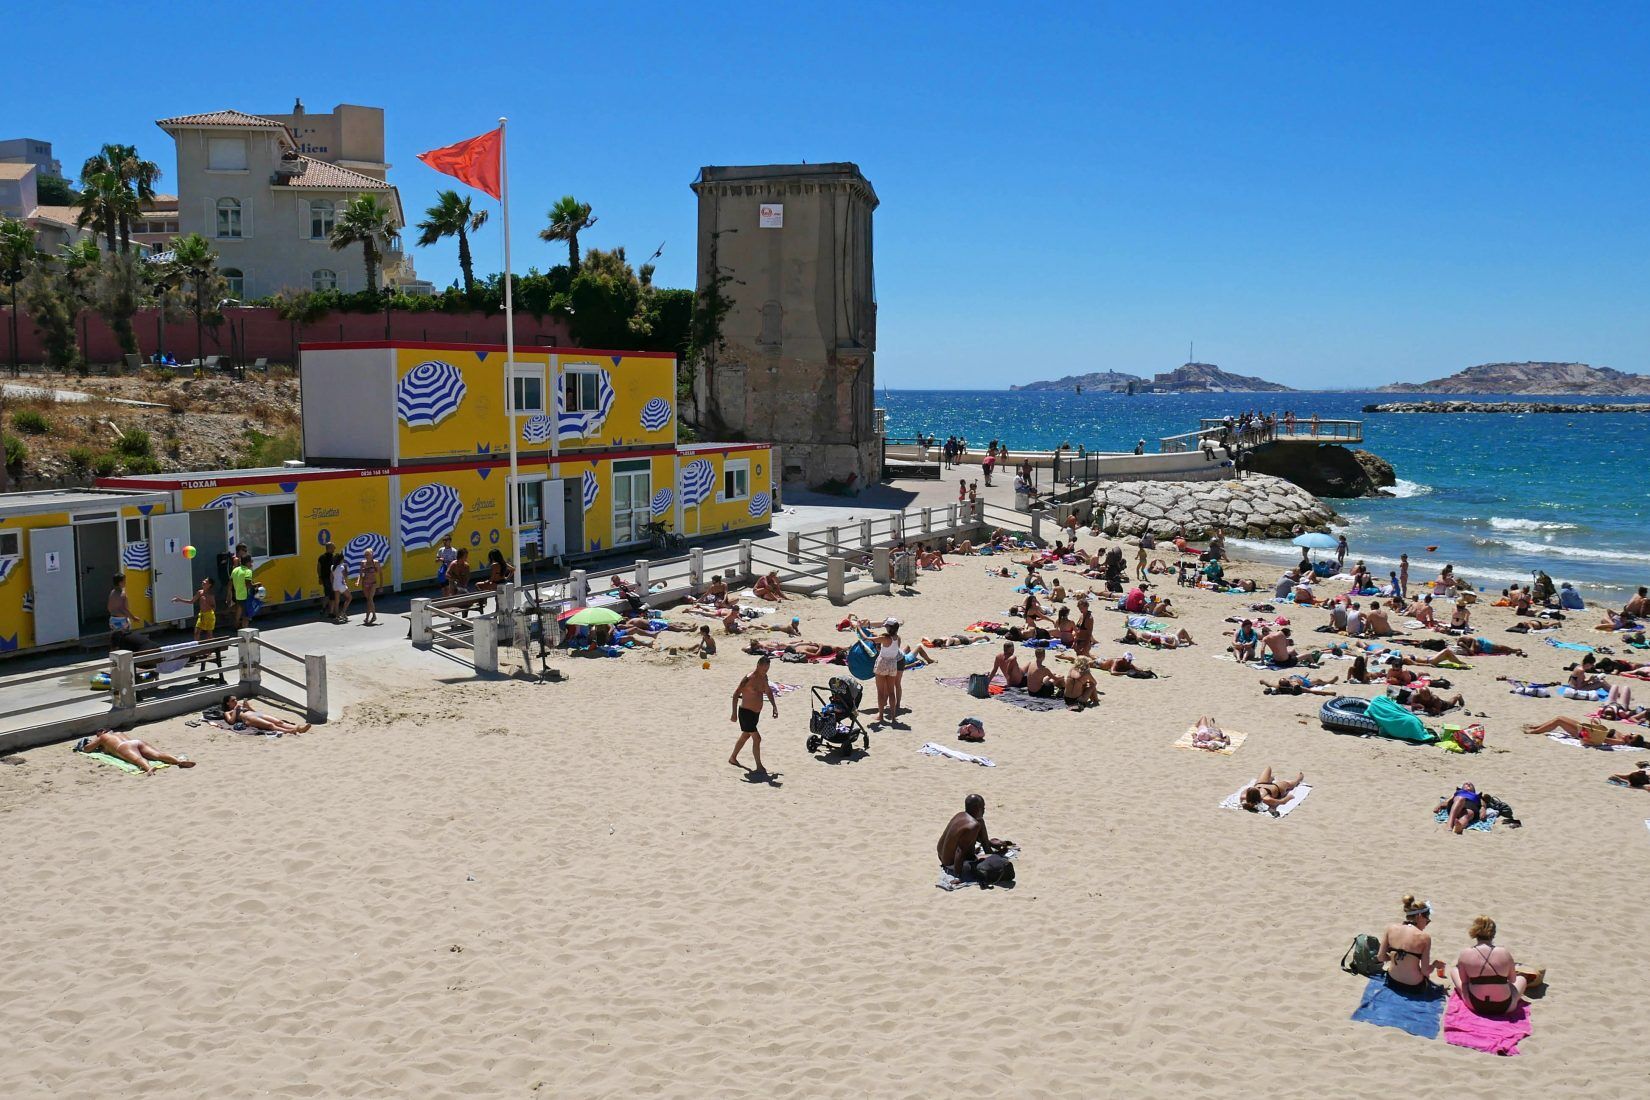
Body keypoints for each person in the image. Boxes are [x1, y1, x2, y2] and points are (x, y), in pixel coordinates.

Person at [1450, 916, 1528, 1018]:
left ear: (1475, 932)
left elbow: (1464, 982)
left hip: (1475, 1005)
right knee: (1522, 979)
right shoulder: (1504, 953)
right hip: (1505, 1006)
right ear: (1493, 933)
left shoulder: (1466, 954)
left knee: (1454, 971)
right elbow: (1513, 980)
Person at [936, 794, 1012, 882]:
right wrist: (958, 876)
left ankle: (989, 850)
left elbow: (967, 838)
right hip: (952, 864)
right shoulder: (972, 826)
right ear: (977, 808)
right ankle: (989, 854)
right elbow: (959, 851)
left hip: (942, 857)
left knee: (980, 821)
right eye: (983, 807)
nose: (984, 809)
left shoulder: (961, 815)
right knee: (997, 861)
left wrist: (990, 843)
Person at [728, 654, 779, 773]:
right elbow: (736, 695)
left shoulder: (764, 677)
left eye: (767, 669)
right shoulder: (748, 678)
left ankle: (733, 758)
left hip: (755, 714)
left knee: (745, 736)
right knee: (757, 738)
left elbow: (768, 691)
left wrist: (774, 706)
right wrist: (734, 714)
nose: (765, 671)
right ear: (758, 666)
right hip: (745, 713)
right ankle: (759, 766)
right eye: (764, 669)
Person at [73, 729, 196, 775]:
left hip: (123, 746)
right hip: (135, 742)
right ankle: (178, 761)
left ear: (101, 733)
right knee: (158, 755)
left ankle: (148, 768)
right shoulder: (119, 733)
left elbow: (88, 749)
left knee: (137, 759)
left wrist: (84, 747)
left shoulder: (103, 738)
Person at [1378, 896, 1435, 992]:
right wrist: (1435, 965)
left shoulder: (1390, 929)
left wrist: (1393, 958)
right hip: (1413, 986)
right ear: (1419, 916)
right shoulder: (1425, 937)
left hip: (1392, 981)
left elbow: (1380, 957)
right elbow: (1425, 971)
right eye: (1427, 920)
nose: (1426, 924)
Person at [223, 696, 312, 735]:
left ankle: (299, 728)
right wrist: (235, 710)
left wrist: (248, 707)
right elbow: (231, 722)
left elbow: (255, 712)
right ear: (227, 703)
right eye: (233, 700)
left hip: (256, 714)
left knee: (279, 721)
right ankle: (289, 731)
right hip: (249, 719)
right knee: (270, 725)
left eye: (236, 699)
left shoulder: (241, 706)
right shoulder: (228, 712)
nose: (236, 701)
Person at [873, 618, 904, 725]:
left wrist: (859, 629)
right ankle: (893, 715)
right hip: (895, 662)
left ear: (889, 627)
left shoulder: (885, 638)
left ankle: (881, 715)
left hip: (884, 664)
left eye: (886, 626)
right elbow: (894, 649)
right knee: (893, 689)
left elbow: (869, 639)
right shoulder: (898, 638)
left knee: (881, 692)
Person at [1240, 767, 1305, 812]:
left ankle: (1270, 779)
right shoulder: (1266, 798)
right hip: (1276, 788)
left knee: (1268, 768)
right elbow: (1282, 802)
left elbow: (1246, 792)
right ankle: (1299, 778)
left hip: (1260, 784)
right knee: (1289, 784)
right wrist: (1289, 797)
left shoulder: (1243, 796)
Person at [358, 548, 382, 626]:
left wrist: (381, 586)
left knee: (370, 599)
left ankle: (373, 615)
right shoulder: (363, 563)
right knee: (368, 600)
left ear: (372, 555)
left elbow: (381, 574)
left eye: (368, 554)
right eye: (365, 555)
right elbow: (360, 573)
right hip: (365, 584)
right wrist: (358, 581)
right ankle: (368, 617)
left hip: (373, 583)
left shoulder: (375, 563)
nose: (366, 556)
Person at [1260, 673, 1340, 696]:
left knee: (1300, 677)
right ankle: (1329, 682)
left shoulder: (1281, 684)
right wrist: (1329, 693)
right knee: (1318, 680)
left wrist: (1262, 681)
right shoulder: (1296, 686)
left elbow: (1268, 683)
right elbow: (1312, 691)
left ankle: (1304, 675)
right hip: (1305, 682)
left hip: (1297, 677)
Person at [316, 543, 338, 620]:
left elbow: (318, 568)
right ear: (329, 548)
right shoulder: (333, 558)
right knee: (332, 595)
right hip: (330, 579)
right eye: (333, 547)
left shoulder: (321, 557)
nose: (334, 549)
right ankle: (331, 612)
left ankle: (324, 608)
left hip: (325, 578)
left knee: (327, 594)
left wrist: (320, 577)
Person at [330, 553, 351, 623]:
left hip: (335, 585)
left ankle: (337, 616)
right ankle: (343, 612)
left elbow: (331, 577)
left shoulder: (332, 567)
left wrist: (333, 585)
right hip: (341, 585)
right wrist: (346, 568)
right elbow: (345, 576)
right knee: (349, 598)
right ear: (341, 559)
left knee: (337, 601)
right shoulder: (342, 567)